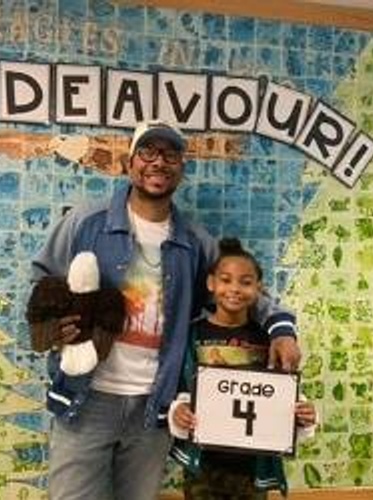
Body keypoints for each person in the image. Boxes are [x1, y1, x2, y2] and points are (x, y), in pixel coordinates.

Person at [27, 120, 301, 500]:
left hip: (154, 410)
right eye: (148, 152)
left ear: (181, 169)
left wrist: (281, 327)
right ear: (130, 163)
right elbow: (41, 282)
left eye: (171, 154)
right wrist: (55, 326)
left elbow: (237, 286)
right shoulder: (85, 223)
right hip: (87, 401)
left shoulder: (194, 243)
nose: (159, 162)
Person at [168, 238, 316, 500]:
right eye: (226, 280)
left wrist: (302, 414)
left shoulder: (270, 339)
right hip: (204, 461)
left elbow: (282, 390)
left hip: (252, 464)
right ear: (211, 283)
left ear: (259, 288)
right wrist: (178, 412)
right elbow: (182, 389)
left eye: (246, 282)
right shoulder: (193, 334)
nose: (234, 289)